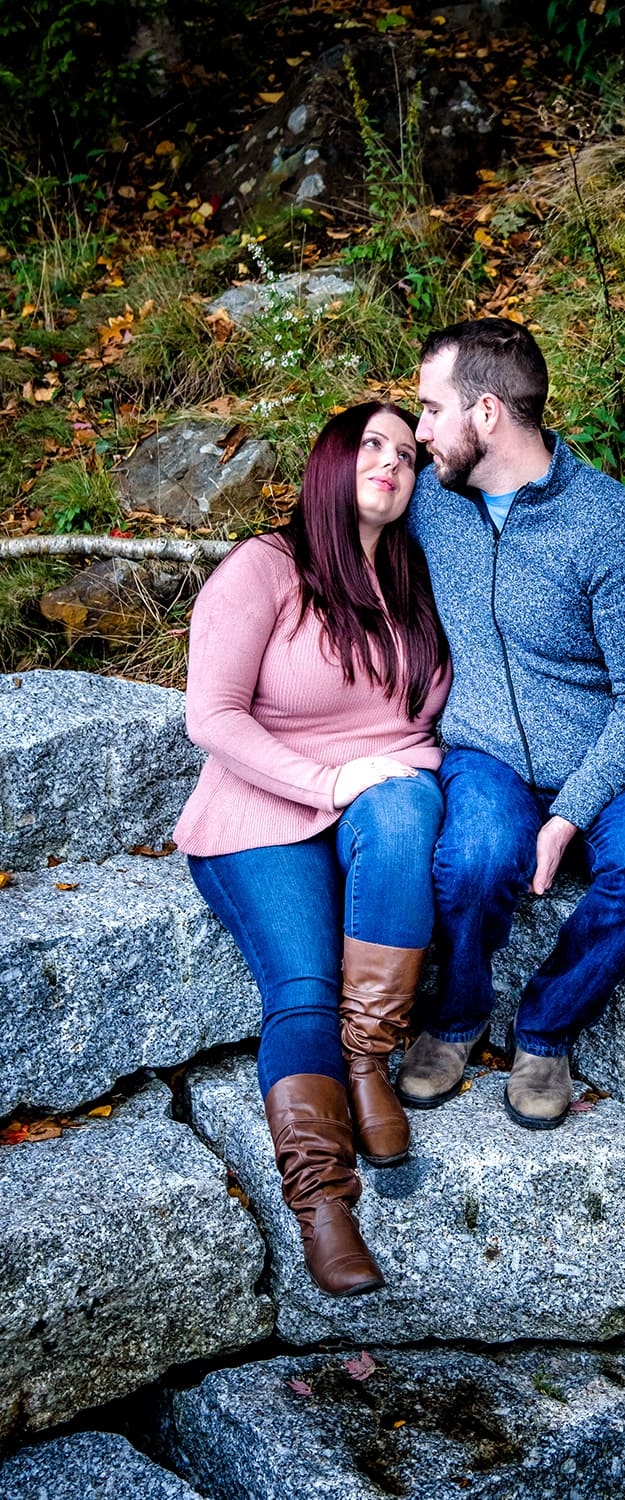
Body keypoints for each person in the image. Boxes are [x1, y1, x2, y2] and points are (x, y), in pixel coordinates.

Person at [173, 402, 450, 1298]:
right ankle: (324, 1202)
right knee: (299, 987)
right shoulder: (265, 568)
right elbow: (209, 716)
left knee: (407, 808)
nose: (390, 464)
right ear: (330, 463)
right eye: (370, 446)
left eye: (406, 454)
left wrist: (399, 770)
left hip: (379, 802)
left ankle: (367, 1059)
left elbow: (429, 717)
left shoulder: (415, 575)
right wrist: (329, 782)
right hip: (263, 809)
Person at [396, 317, 625, 1129]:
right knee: (474, 859)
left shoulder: (610, 526)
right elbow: (333, 527)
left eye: (430, 411)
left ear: (486, 413)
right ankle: (456, 1019)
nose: (418, 431)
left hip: (604, 753)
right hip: (484, 750)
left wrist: (568, 815)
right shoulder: (428, 501)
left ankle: (545, 1031)